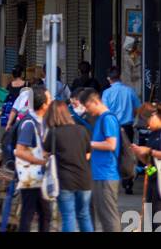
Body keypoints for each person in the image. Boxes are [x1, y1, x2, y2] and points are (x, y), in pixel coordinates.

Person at [43, 99, 93, 232]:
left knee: (68, 216)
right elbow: (88, 155)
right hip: (84, 179)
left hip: (64, 180)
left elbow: (44, 155)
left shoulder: (53, 133)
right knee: (84, 215)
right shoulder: (82, 130)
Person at [77, 88, 121, 232]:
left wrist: (89, 144)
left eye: (88, 106)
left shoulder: (107, 118)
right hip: (100, 174)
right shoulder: (101, 119)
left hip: (106, 175)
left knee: (109, 218)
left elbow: (111, 144)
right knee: (104, 216)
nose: (88, 111)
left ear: (94, 101)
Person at [15, 86, 52, 233]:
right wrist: (41, 161)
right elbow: (19, 151)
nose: (51, 103)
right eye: (49, 100)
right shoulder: (29, 124)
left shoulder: (40, 121)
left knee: (43, 213)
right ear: (43, 105)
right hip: (30, 175)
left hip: (38, 175)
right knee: (30, 213)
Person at [102, 67, 140, 194]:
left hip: (112, 128)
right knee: (128, 155)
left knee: (112, 155)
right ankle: (128, 183)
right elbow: (138, 108)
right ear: (120, 76)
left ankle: (112, 183)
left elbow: (104, 112)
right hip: (127, 127)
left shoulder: (106, 93)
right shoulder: (130, 91)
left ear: (109, 79)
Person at [132, 103, 161, 215]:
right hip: (153, 177)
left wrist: (149, 151)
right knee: (150, 217)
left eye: (146, 122)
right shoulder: (153, 134)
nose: (147, 126)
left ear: (154, 116)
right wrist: (139, 153)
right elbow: (150, 162)